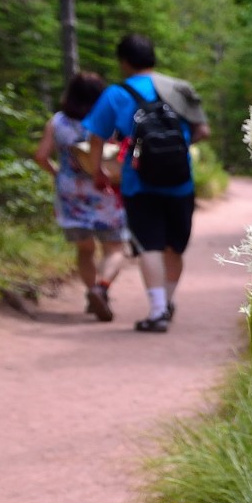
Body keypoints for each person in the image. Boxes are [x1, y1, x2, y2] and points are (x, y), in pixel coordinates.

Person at [85, 34, 210, 333]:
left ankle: (156, 312)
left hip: (138, 182)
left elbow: (95, 136)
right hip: (181, 182)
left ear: (124, 61)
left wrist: (97, 171)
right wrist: (177, 146)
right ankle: (166, 302)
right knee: (174, 247)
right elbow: (202, 130)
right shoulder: (179, 88)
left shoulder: (116, 94)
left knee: (150, 246)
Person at [32, 71, 129, 322]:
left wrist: (57, 173)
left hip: (70, 191)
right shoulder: (108, 120)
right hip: (104, 189)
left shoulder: (57, 122)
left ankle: (90, 291)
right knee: (115, 247)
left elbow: (41, 156)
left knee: (85, 249)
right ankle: (102, 287)